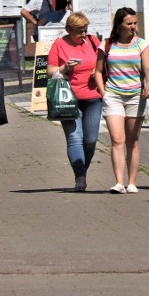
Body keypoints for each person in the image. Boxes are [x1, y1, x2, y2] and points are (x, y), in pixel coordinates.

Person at [94, 7, 149, 194]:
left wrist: (148, 85)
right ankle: (119, 182)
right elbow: (97, 71)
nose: (133, 27)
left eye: (135, 23)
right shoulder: (107, 45)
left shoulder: (141, 44)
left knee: (133, 140)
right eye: (129, 23)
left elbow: (148, 70)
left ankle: (132, 182)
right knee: (117, 139)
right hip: (113, 96)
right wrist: (104, 93)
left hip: (136, 96)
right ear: (119, 25)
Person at [46, 13, 103, 191]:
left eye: (85, 30)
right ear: (69, 30)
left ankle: (82, 170)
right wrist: (64, 68)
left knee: (91, 140)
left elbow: (104, 62)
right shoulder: (59, 45)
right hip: (68, 100)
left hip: (93, 98)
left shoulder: (93, 41)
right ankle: (80, 177)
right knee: (74, 138)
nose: (84, 35)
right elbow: (49, 71)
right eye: (79, 32)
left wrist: (97, 71)